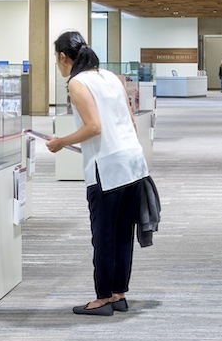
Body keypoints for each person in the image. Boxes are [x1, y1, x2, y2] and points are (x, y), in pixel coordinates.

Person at [46, 31, 150, 316]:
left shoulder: (77, 83)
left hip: (106, 167)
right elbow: (129, 119)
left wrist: (60, 142)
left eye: (56, 59)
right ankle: (119, 293)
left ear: (63, 57)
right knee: (122, 233)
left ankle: (103, 298)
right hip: (132, 162)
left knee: (103, 235)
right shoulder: (111, 77)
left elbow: (93, 127)